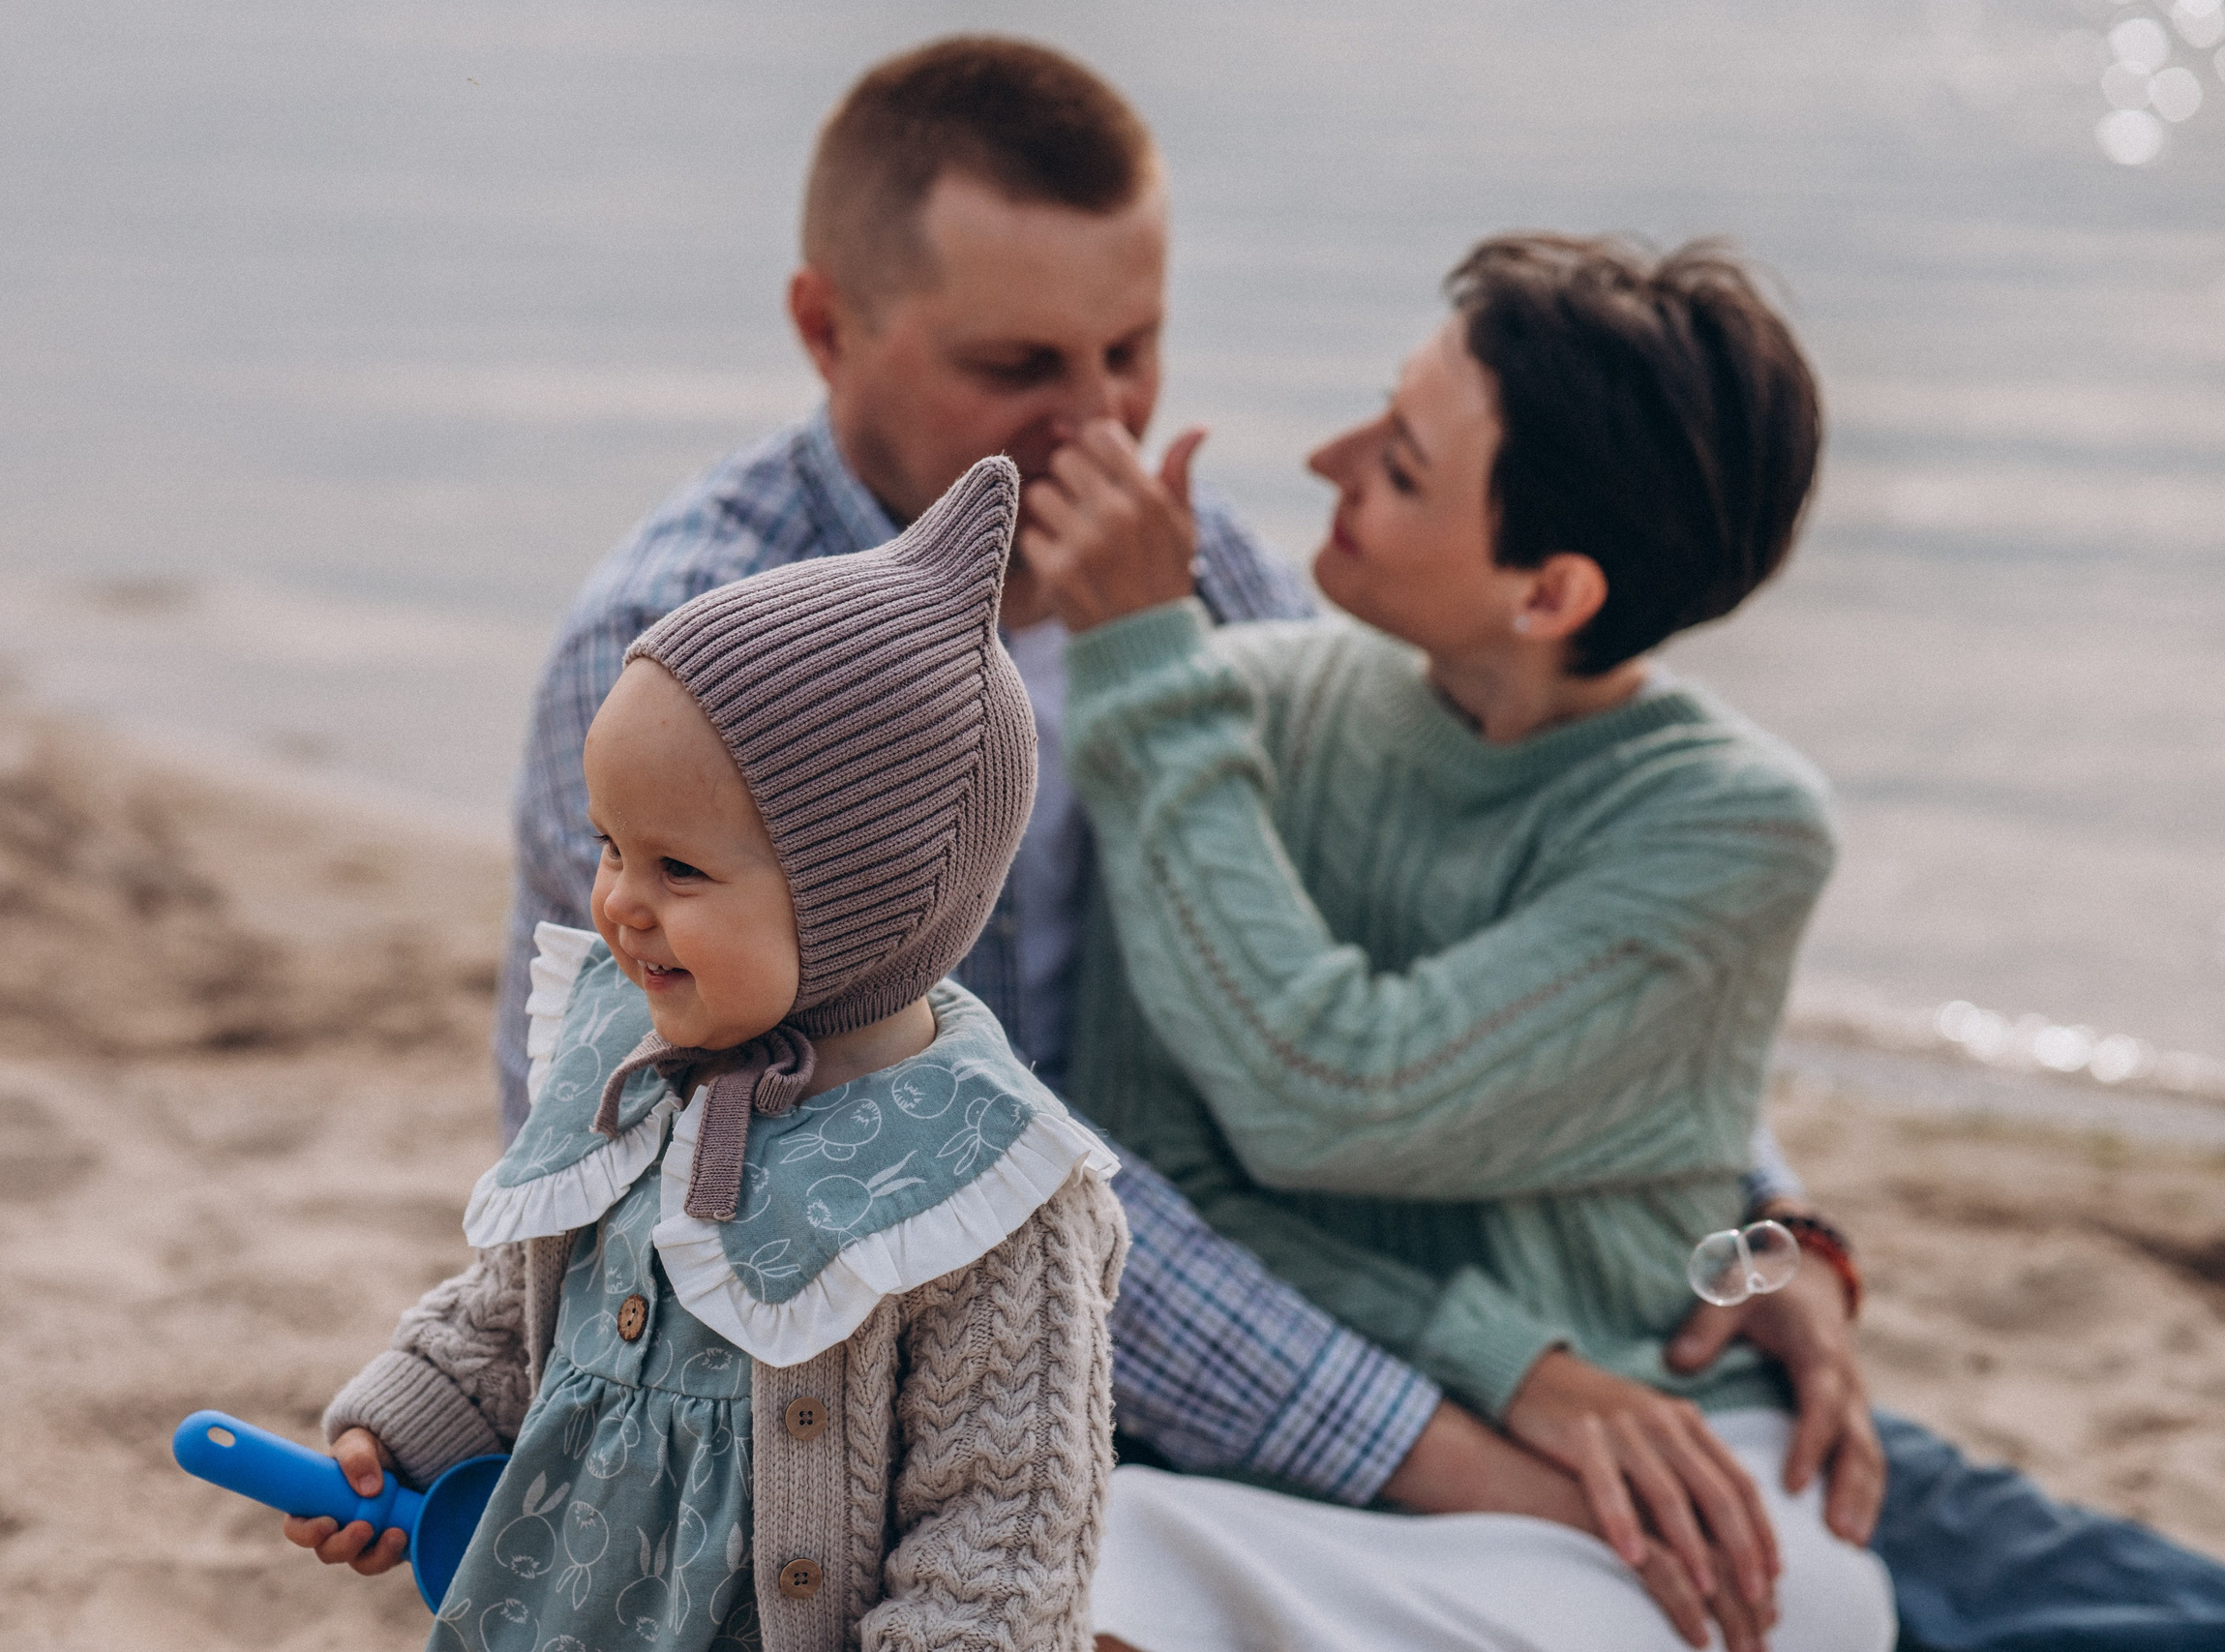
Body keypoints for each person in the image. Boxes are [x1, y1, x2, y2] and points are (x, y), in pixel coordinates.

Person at [493, 34, 2225, 1652]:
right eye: (1017, 366)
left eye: (1133, 351)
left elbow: (1550, 982)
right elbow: (935, 1173)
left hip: (1406, 1326)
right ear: (826, 328)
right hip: (902, 1397)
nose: (1094, 426)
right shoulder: (688, 665)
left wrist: (1774, 1244)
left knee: (2066, 1583)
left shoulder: (1196, 584)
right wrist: (1480, 1441)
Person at [1029, 231, 1886, 1649]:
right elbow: (1165, 1176)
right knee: (1080, 1573)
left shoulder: (1735, 825)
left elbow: (1334, 1094)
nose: (1328, 457)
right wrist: (1502, 1362)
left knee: (1793, 1606)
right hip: (1343, 1468)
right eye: (1381, 405)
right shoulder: (1230, 714)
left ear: (1550, 593)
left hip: (1671, 1470)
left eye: (1403, 463)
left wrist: (1139, 669)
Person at [290, 460, 1130, 1649]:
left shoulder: (980, 1184)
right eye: (610, 846)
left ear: (869, 901)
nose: (620, 902)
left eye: (678, 869)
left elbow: (1000, 1531)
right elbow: (516, 1309)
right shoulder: (638, 1061)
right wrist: (410, 1426)